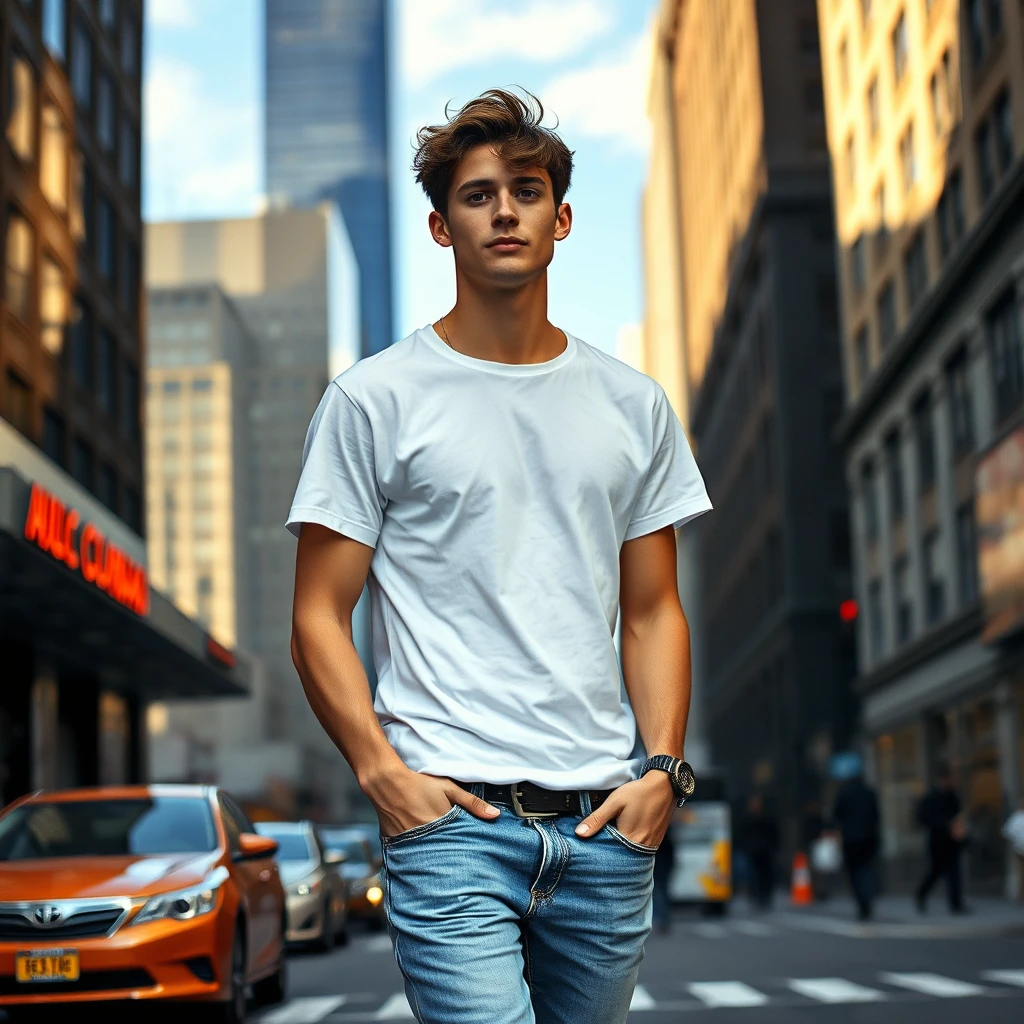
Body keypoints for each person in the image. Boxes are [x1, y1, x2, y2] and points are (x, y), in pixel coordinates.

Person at [287, 89, 712, 1024]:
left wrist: (663, 772)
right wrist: (380, 773)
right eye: (479, 196)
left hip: (606, 825)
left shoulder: (632, 405)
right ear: (442, 228)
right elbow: (320, 612)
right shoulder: (374, 401)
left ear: (561, 218)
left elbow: (652, 611)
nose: (506, 210)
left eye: (526, 190)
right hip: (450, 824)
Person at [915, 769, 967, 914]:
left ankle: (956, 904)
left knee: (954, 873)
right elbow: (922, 818)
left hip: (951, 841)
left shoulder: (952, 796)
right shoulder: (930, 797)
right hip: (937, 841)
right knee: (936, 872)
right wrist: (942, 824)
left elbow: (958, 814)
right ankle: (921, 894)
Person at [832, 773, 880, 921]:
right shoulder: (869, 793)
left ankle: (863, 902)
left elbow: (837, 814)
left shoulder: (844, 793)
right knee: (867, 869)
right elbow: (876, 815)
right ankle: (868, 898)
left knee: (854, 873)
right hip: (868, 838)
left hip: (851, 839)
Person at [740, 794, 779, 909]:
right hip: (753, 853)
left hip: (766, 852)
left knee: (766, 875)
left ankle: (765, 896)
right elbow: (743, 835)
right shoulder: (748, 820)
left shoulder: (767, 819)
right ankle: (756, 896)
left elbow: (774, 834)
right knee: (753, 876)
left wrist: (773, 847)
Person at [651, 821, 677, 934]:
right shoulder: (668, 840)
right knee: (664, 892)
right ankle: (664, 919)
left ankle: (661, 919)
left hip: (659, 866)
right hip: (665, 866)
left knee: (658, 892)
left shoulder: (657, 840)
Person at [1001, 798, 1024, 900]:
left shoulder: (1016, 817)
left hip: (1018, 848)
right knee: (1021, 873)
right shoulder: (1017, 817)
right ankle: (1021, 895)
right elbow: (1007, 832)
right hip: (1019, 850)